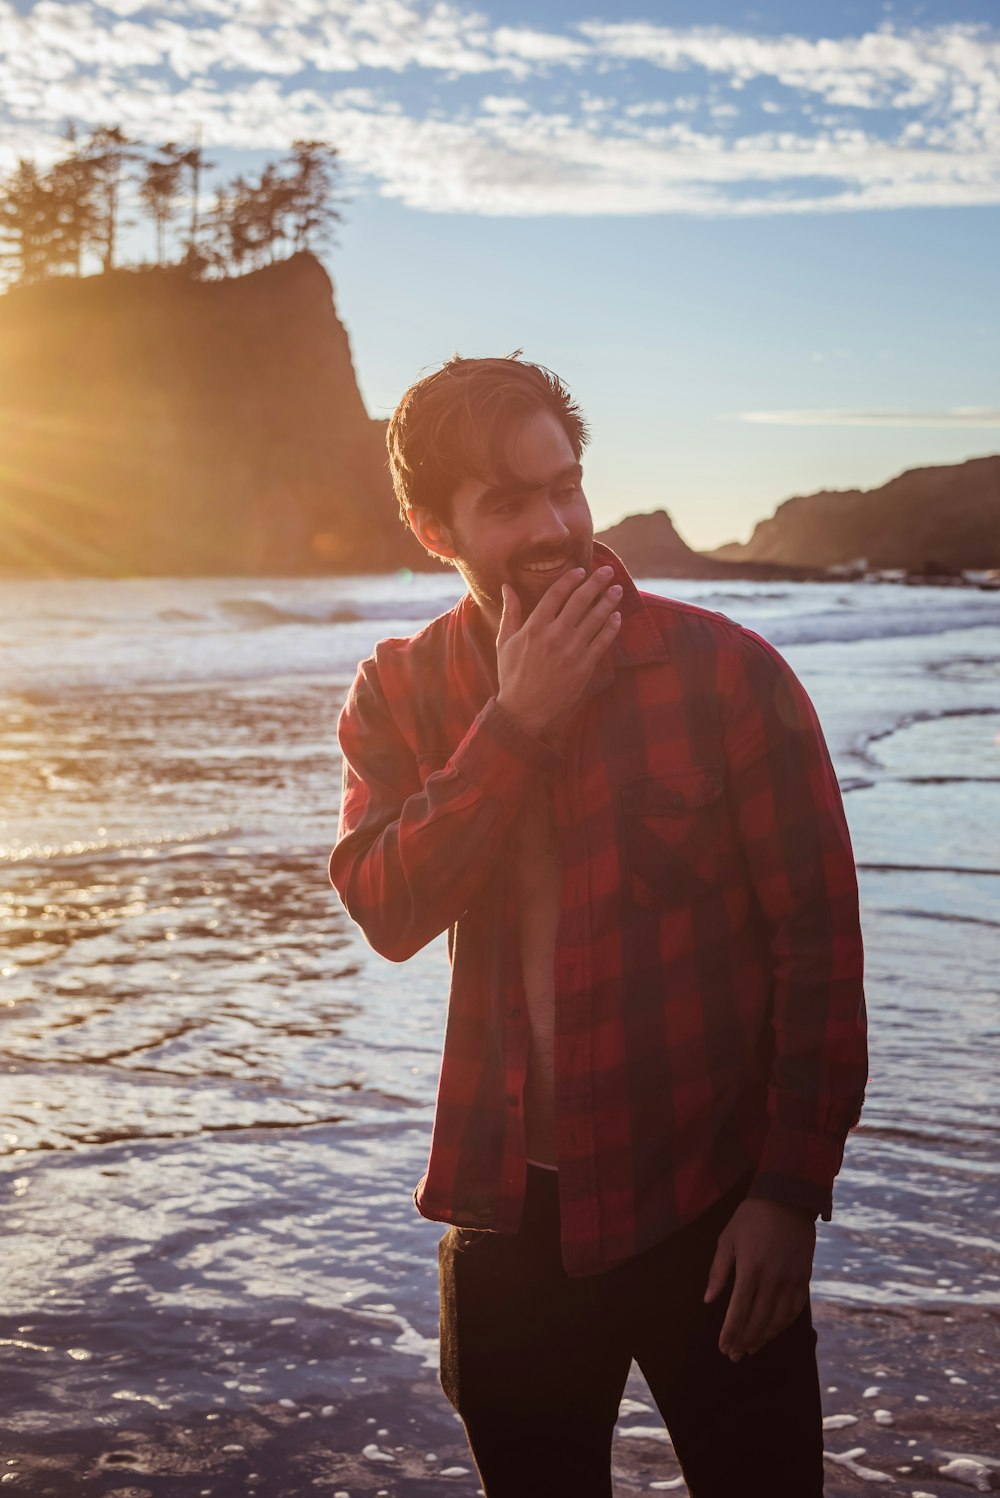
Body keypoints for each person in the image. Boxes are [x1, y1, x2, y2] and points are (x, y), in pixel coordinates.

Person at [328, 353, 868, 1497]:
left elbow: (818, 949)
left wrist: (786, 1194)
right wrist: (514, 724)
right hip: (509, 1218)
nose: (556, 524)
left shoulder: (727, 674)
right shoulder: (403, 689)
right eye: (508, 503)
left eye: (564, 486)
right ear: (434, 529)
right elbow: (386, 909)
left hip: (713, 1209)